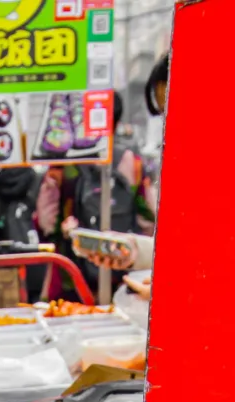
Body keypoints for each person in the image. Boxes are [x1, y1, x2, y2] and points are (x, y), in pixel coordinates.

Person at [35, 91, 156, 290]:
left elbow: (46, 219)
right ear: (116, 122)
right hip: (123, 273)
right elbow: (148, 218)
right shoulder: (132, 163)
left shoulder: (65, 163)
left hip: (73, 276)